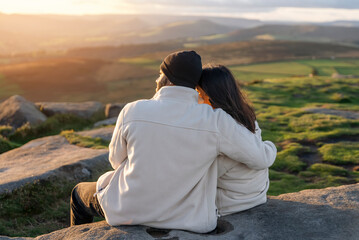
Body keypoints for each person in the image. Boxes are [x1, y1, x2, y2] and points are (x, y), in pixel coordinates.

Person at [70, 50, 277, 233]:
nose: (156, 79)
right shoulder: (216, 120)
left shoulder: (133, 110)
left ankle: (77, 234)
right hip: (186, 217)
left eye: (159, 74)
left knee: (78, 195)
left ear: (166, 78)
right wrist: (269, 145)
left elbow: (116, 161)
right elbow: (259, 157)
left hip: (128, 208)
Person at [197, 64, 274, 216]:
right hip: (254, 196)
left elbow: (261, 159)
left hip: (231, 204)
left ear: (211, 95)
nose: (195, 98)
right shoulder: (243, 115)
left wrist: (269, 147)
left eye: (198, 93)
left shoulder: (223, 125)